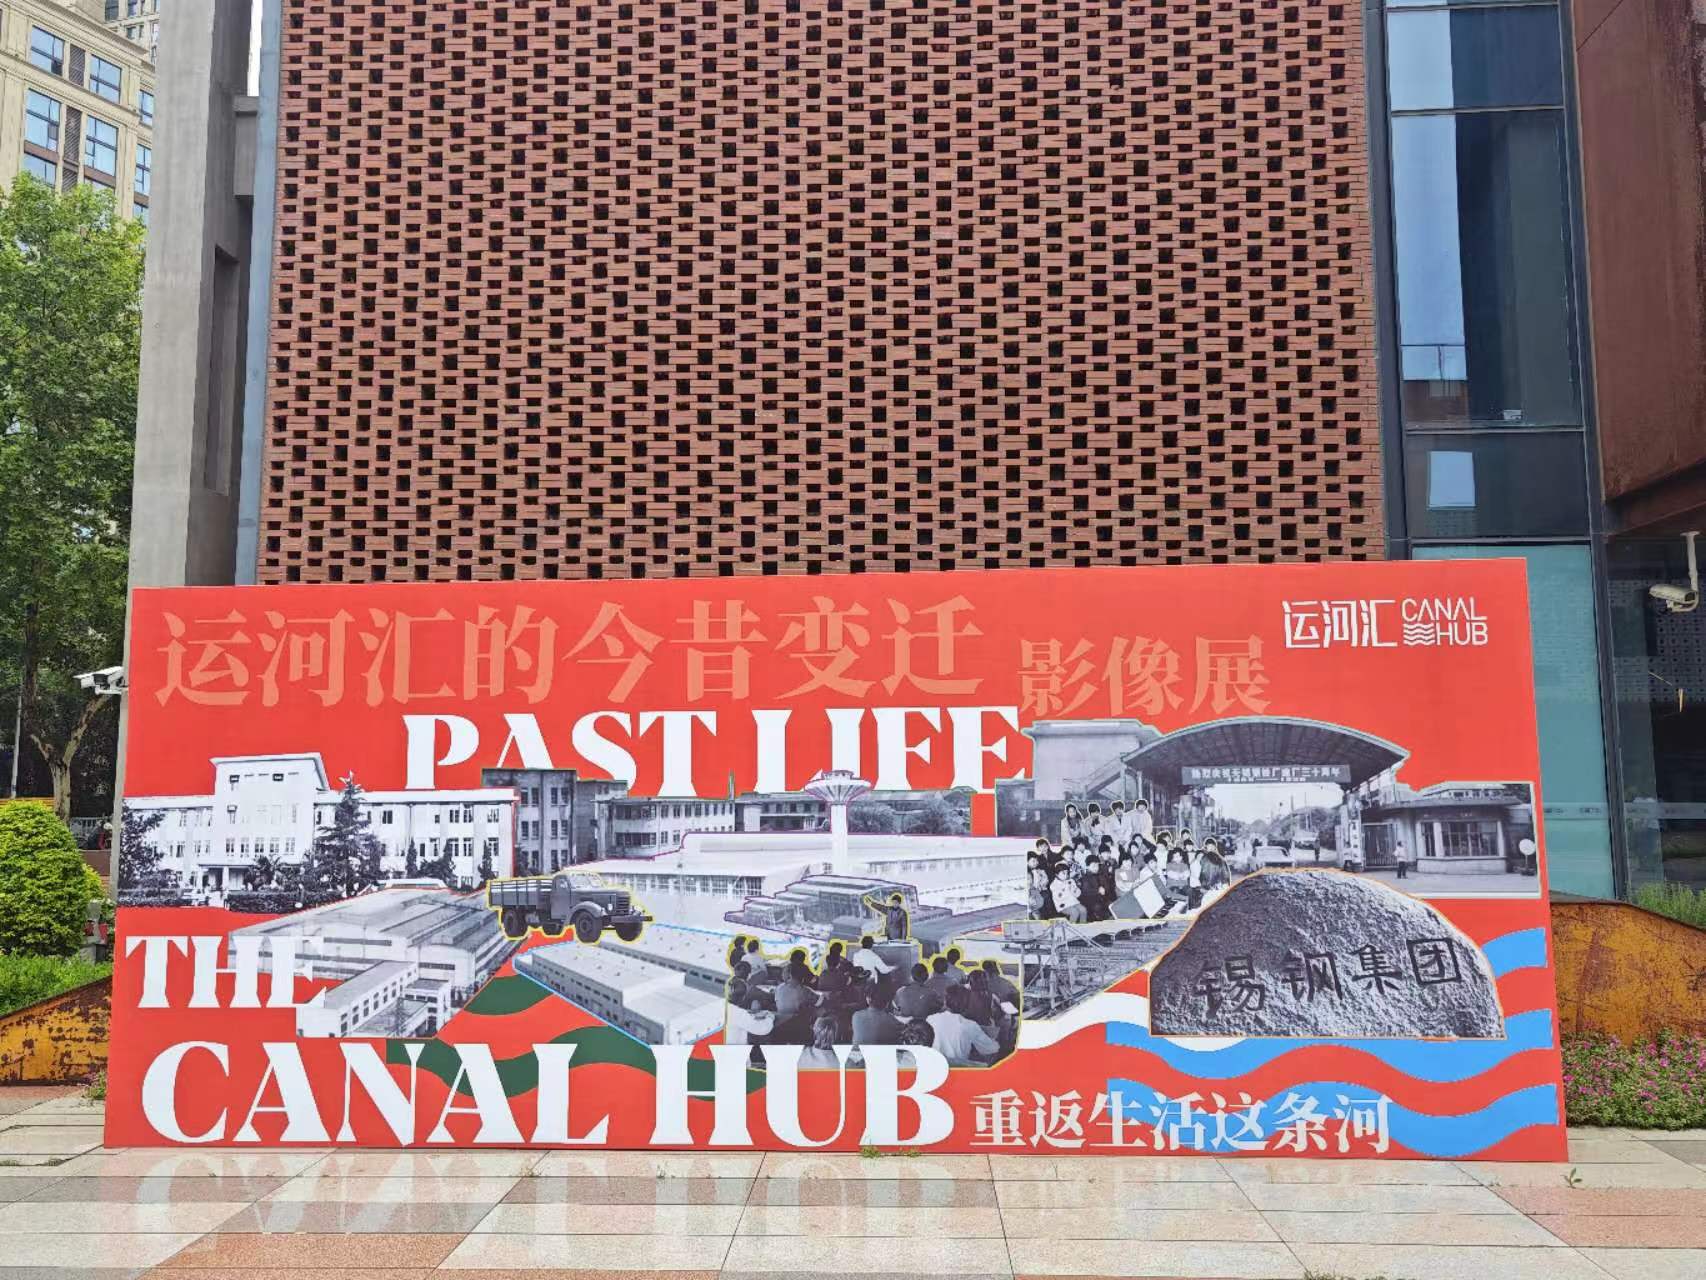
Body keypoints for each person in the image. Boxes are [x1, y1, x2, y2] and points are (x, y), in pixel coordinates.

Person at [926, 986, 1001, 1066]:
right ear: (967, 1005)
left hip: (934, 1065)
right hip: (958, 1067)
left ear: (945, 1001)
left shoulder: (930, 1019)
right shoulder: (969, 1025)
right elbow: (992, 1049)